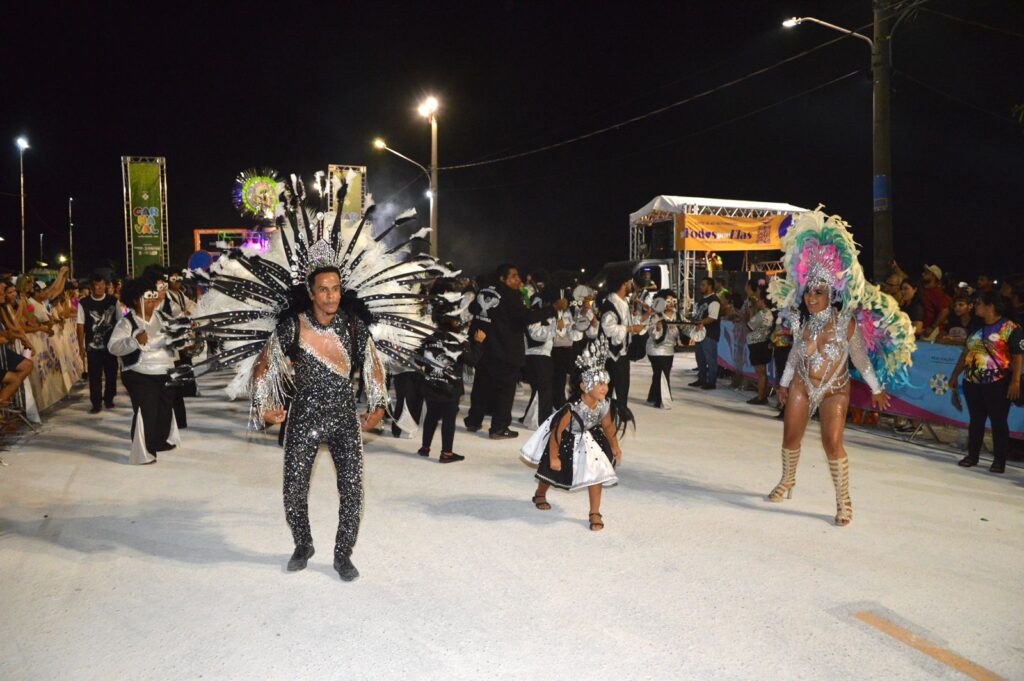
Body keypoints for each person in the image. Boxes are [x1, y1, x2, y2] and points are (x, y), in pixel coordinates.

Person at [767, 209, 913, 526]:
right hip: (802, 385)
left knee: (832, 443)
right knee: (790, 438)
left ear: (831, 294)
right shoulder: (800, 321)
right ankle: (787, 479)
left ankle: (843, 501)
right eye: (808, 291)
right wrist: (784, 383)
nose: (811, 298)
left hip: (835, 389)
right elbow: (794, 356)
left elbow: (859, 359)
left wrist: (876, 388)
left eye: (818, 292)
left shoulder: (846, 322)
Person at [254, 266, 388, 581]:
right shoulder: (293, 326)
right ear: (312, 293)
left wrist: (378, 405)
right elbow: (265, 363)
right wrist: (263, 405)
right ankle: (303, 544)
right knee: (294, 488)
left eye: (336, 288)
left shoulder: (353, 326)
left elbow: (373, 365)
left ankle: (343, 554)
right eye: (324, 290)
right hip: (304, 417)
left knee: (352, 489)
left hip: (344, 417)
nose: (331, 296)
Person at [521, 340, 623, 531]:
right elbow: (556, 432)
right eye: (599, 383)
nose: (605, 388)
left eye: (606, 383)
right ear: (584, 386)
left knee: (597, 472)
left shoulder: (604, 404)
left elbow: (608, 426)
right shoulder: (572, 408)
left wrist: (615, 446)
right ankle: (540, 493)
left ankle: (595, 512)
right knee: (552, 472)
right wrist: (554, 457)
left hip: (591, 439)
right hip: (567, 440)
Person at [465, 264, 564, 439]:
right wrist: (552, 309)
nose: (518, 279)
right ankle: (499, 428)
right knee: (505, 391)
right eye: (513, 276)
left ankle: (473, 420)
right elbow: (525, 317)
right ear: (502, 279)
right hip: (505, 350)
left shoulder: (484, 291)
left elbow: (474, 309)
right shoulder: (509, 295)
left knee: (481, 386)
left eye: (518, 275)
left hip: (484, 347)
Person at [107, 278, 186, 464]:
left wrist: (181, 338)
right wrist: (134, 341)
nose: (152, 302)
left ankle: (159, 440)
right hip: (139, 373)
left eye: (153, 298)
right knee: (147, 410)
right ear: (136, 300)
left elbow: (176, 340)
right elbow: (113, 347)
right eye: (148, 299)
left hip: (165, 371)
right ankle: (144, 451)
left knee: (164, 409)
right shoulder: (126, 323)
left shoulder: (163, 318)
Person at [949, 290, 1023, 474]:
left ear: (990, 306)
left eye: (979, 303)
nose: (975, 306)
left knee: (998, 421)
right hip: (972, 381)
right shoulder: (976, 326)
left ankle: (999, 461)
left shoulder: (1011, 328)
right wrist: (955, 375)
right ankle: (972, 456)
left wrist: (1015, 381)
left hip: (998, 382)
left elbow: (1017, 356)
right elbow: (966, 352)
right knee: (976, 420)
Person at [418, 316, 485, 463]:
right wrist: (478, 343)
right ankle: (446, 453)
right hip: (450, 388)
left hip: (431, 384)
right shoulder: (458, 341)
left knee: (431, 416)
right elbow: (472, 361)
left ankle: (425, 447)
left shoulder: (429, 338)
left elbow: (418, 359)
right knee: (448, 420)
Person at [599, 267, 648, 423]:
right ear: (623, 283)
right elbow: (608, 328)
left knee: (622, 391)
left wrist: (643, 320)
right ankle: (606, 423)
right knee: (607, 392)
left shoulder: (623, 302)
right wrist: (630, 329)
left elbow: (627, 324)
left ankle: (616, 420)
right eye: (629, 282)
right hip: (611, 356)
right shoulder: (611, 303)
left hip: (621, 355)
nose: (631, 285)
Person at [77, 273, 120, 413]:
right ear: (91, 287)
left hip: (111, 345)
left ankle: (109, 399)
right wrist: (81, 346)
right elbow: (80, 325)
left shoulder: (113, 301)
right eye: (97, 285)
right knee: (94, 376)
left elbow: (120, 322)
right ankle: (96, 403)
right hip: (92, 347)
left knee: (111, 374)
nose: (100, 288)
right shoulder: (83, 303)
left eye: (102, 285)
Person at [645, 290, 680, 410]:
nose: (671, 303)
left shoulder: (677, 315)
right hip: (656, 349)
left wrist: (697, 327)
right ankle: (662, 400)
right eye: (668, 301)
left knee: (660, 373)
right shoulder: (656, 316)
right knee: (663, 373)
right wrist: (657, 329)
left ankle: (653, 396)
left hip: (669, 349)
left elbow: (686, 327)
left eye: (673, 301)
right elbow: (651, 333)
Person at [690, 277, 721, 390]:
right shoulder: (702, 300)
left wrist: (701, 322)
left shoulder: (714, 300)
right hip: (700, 333)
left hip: (710, 334)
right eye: (701, 284)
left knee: (710, 359)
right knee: (700, 358)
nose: (701, 287)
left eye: (703, 285)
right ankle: (702, 379)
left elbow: (712, 317)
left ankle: (711, 382)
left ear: (710, 286)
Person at [745, 285, 774, 405]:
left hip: (757, 344)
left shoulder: (762, 314)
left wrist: (752, 311)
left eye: (758, 299)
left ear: (763, 301)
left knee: (760, 372)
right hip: (763, 343)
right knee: (762, 372)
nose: (757, 302)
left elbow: (749, 326)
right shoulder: (770, 313)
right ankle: (762, 395)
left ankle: (761, 397)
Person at [920, 265, 951, 338]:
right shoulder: (924, 289)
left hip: (929, 332)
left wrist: (932, 327)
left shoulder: (936, 292)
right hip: (922, 330)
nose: (922, 274)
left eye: (926, 273)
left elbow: (945, 311)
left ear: (933, 275)